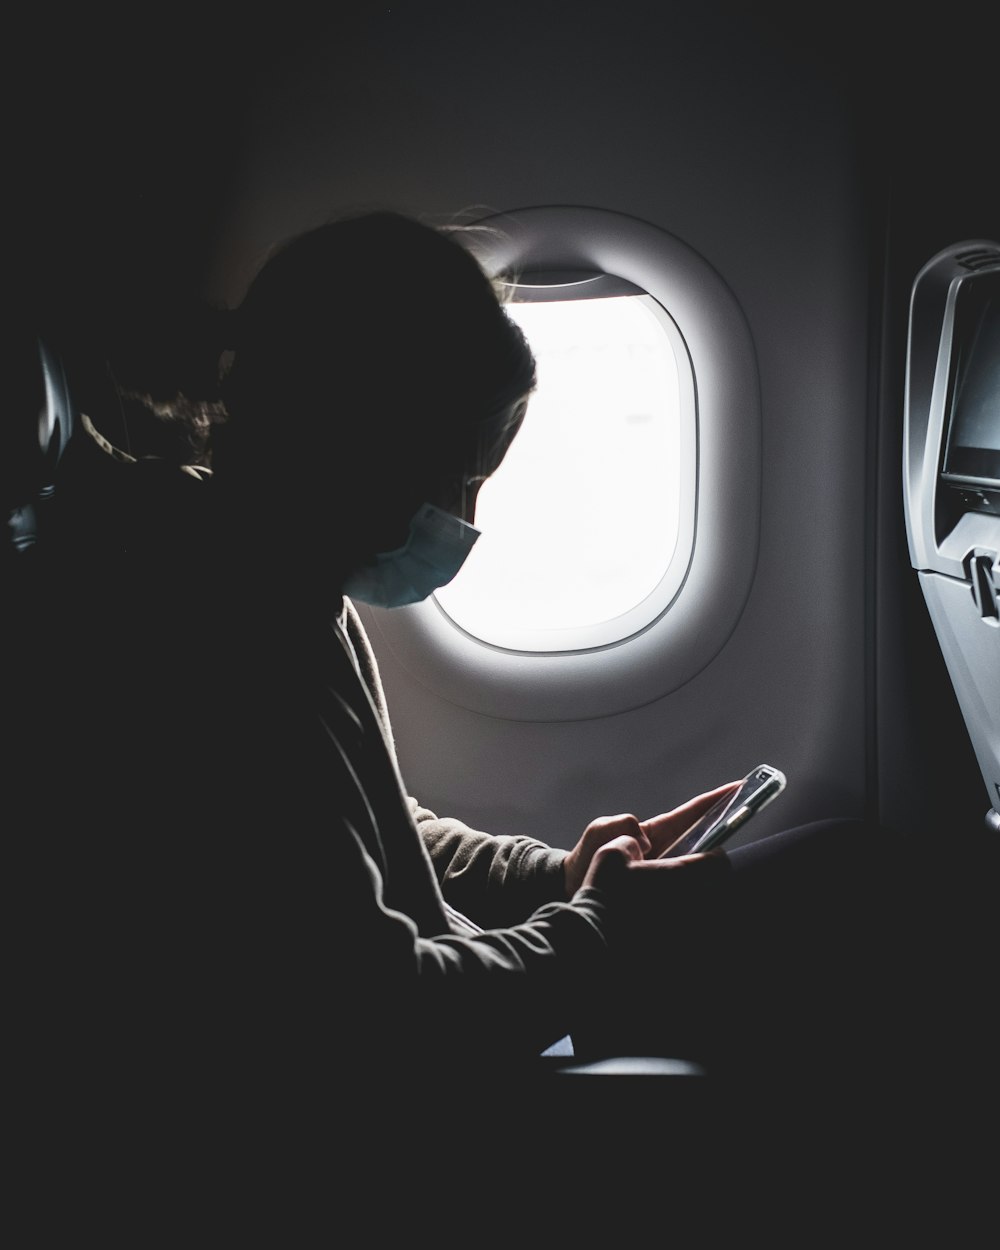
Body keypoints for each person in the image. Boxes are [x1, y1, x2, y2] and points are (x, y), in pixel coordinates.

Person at [29, 210, 995, 1224]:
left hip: (456, 1032)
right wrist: (598, 931)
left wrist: (554, 873)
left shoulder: (271, 572)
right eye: (461, 474)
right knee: (866, 930)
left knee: (846, 869)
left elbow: (377, 828)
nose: (469, 515)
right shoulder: (209, 639)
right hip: (392, 1122)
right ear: (363, 443)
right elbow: (377, 1022)